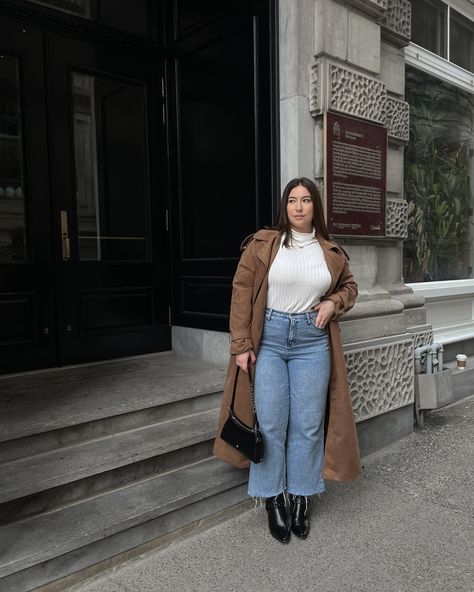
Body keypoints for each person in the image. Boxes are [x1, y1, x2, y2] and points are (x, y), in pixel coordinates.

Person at [213, 177, 361, 544]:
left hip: (312, 341)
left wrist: (332, 303)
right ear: (285, 206)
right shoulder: (264, 244)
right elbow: (241, 292)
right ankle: (272, 498)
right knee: (273, 422)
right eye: (292, 200)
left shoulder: (331, 251)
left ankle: (300, 495)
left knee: (308, 425)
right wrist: (241, 344)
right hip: (271, 340)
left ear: (315, 207)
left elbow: (350, 288)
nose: (298, 207)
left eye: (306, 200)